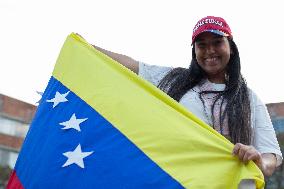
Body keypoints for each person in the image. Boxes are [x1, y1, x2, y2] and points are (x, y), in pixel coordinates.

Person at [92, 16, 282, 186]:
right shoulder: (174, 81)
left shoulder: (249, 98)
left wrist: (259, 161)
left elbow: (271, 154)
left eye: (217, 42)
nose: (210, 51)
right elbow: (132, 66)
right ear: (194, 51)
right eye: (202, 45)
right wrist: (86, 46)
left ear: (230, 47)